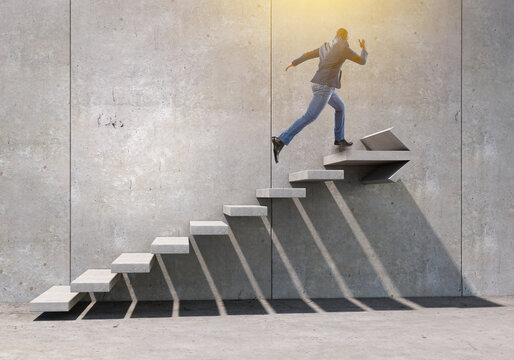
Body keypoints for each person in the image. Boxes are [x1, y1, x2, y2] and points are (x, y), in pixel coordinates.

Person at [272, 28, 368, 163]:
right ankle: (281, 140)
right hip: (325, 87)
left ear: (335, 35)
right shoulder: (344, 49)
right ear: (346, 37)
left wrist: (294, 63)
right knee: (309, 116)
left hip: (319, 85)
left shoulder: (325, 47)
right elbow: (362, 61)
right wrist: (363, 48)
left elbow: (308, 54)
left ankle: (339, 139)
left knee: (340, 107)